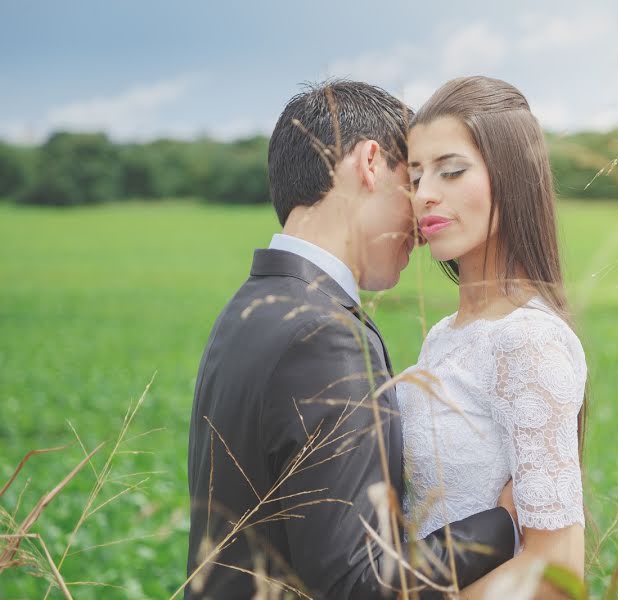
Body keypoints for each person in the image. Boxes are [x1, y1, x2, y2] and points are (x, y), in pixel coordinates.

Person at [185, 80, 517, 599]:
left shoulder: (247, 309)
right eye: (412, 175)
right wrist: (502, 524)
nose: (426, 208)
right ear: (369, 163)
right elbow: (358, 584)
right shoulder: (322, 334)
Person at [398, 76, 587, 598]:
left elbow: (557, 574)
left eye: (451, 171)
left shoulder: (526, 339)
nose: (425, 195)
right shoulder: (444, 335)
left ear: (512, 177)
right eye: (414, 177)